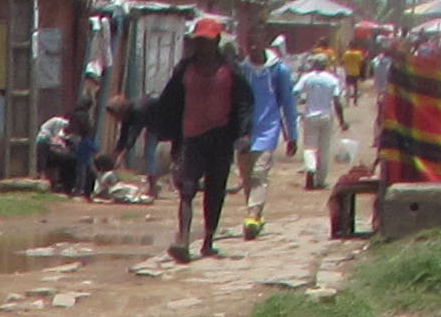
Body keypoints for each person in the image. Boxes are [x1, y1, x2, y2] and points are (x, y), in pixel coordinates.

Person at [144, 15, 243, 260]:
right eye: (198, 41)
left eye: (207, 41)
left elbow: (244, 103)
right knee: (186, 189)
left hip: (221, 138)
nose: (202, 46)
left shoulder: (230, 70)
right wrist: (168, 133)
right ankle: (184, 239)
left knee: (215, 189)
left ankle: (208, 240)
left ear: (217, 42)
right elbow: (170, 102)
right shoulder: (184, 70)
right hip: (192, 137)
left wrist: (243, 132)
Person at [239, 33, 293, 238]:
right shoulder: (242, 70)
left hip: (268, 130)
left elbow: (287, 102)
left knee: (259, 174)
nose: (253, 46)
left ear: (264, 43)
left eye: (257, 41)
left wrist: (292, 135)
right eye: (249, 42)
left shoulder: (279, 70)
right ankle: (255, 214)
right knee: (246, 176)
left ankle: (252, 216)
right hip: (244, 132)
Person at [294, 50, 346, 189]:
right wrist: (342, 120)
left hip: (310, 115)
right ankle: (321, 181)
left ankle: (310, 168)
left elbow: (295, 92)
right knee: (324, 149)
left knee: (310, 147)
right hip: (326, 115)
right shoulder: (332, 79)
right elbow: (337, 101)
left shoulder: (307, 78)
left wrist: (295, 108)